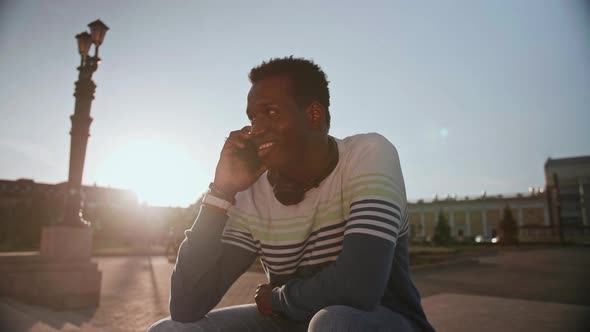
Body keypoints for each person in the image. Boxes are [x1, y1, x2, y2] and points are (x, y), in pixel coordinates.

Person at [148, 56, 435, 332]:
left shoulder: (369, 155)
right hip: (289, 321)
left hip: (383, 321)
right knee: (170, 329)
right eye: (252, 117)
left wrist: (277, 299)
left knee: (332, 322)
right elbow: (186, 307)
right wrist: (221, 193)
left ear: (313, 114)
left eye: (270, 112)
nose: (256, 129)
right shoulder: (250, 194)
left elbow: (358, 288)